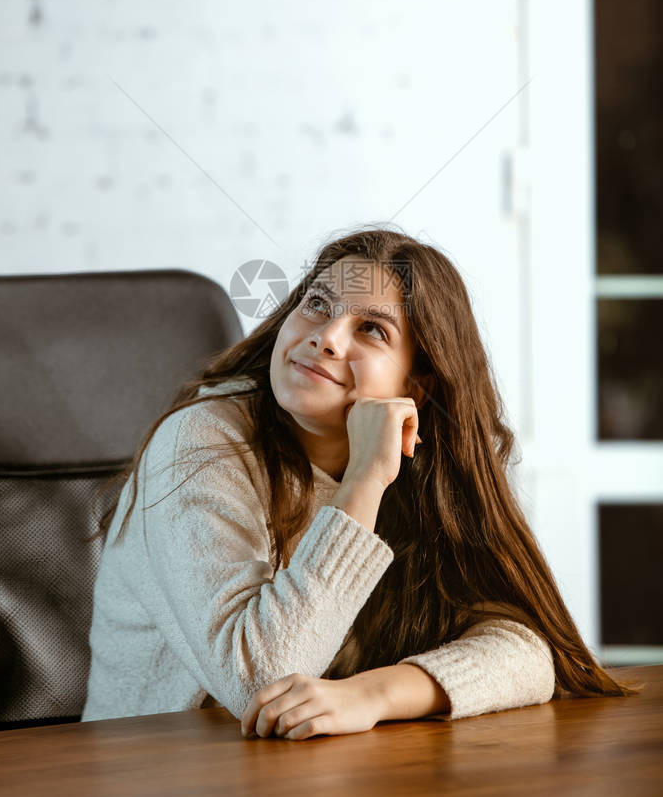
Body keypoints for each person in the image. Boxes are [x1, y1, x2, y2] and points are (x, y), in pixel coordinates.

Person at [81, 226, 642, 739]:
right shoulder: (199, 442)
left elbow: (529, 649)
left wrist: (370, 695)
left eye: (370, 329)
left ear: (416, 387)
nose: (325, 337)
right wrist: (365, 480)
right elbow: (261, 678)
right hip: (156, 768)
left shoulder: (422, 466)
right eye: (317, 305)